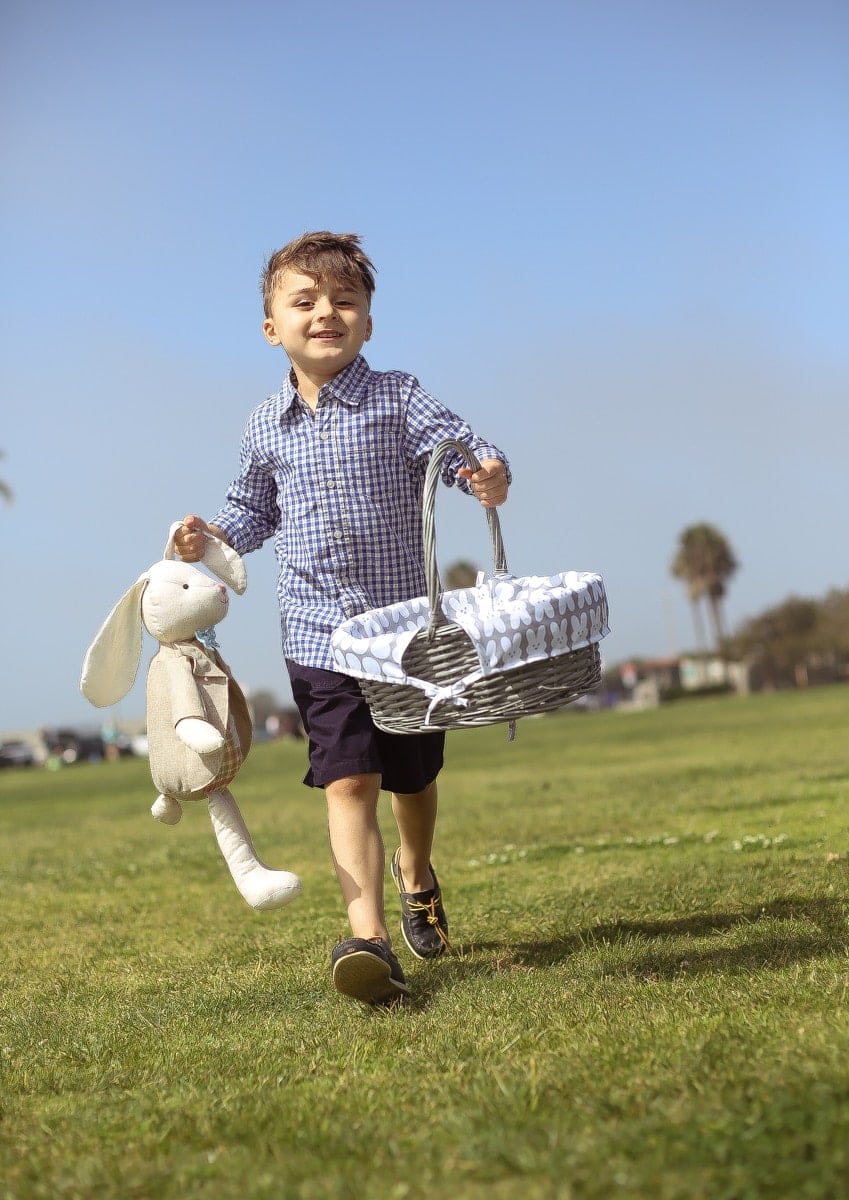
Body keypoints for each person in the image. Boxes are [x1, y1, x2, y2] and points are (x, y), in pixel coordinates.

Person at [174, 231, 510, 1006]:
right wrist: (209, 538)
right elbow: (251, 510)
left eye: (344, 301)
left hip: (406, 634)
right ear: (272, 327)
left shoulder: (397, 395)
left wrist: (486, 473)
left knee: (412, 774)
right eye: (304, 301)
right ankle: (368, 939)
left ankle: (415, 873)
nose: (326, 312)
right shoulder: (265, 425)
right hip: (317, 633)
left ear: (366, 321)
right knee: (347, 777)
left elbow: (459, 449)